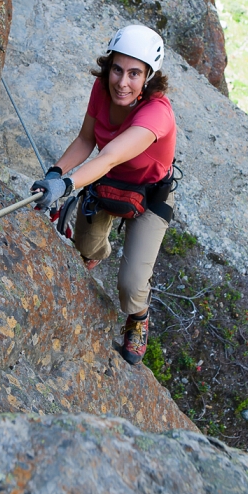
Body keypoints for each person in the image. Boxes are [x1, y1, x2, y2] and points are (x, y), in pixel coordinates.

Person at [31, 24, 177, 365]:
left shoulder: (157, 113)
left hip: (151, 195)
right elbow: (86, 140)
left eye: (134, 73)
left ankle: (138, 319)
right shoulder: (103, 90)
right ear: (108, 66)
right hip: (107, 182)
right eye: (117, 69)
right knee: (86, 247)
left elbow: (109, 154)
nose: (122, 83)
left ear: (148, 78)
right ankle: (99, 250)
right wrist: (54, 173)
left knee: (131, 284)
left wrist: (66, 186)